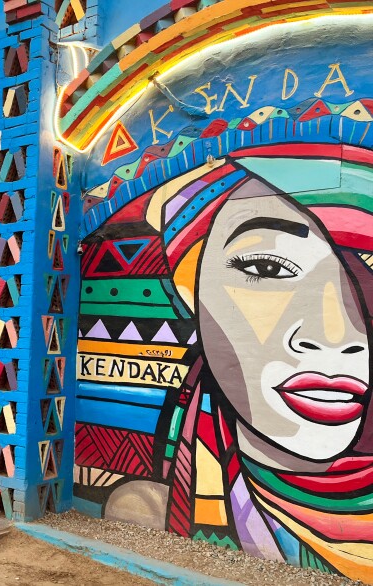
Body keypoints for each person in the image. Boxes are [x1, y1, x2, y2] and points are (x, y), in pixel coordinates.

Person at [79, 144, 373, 581]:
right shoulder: (150, 507)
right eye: (269, 268)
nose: (335, 336)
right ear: (192, 294)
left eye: (366, 272)